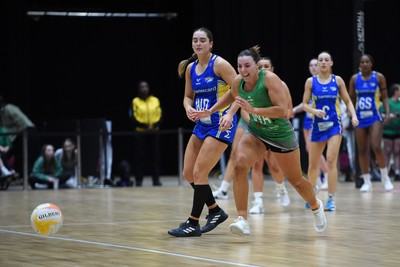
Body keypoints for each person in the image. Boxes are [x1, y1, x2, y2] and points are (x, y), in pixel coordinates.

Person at [194, 45, 327, 235]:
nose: (242, 70)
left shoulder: (270, 80)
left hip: (280, 135)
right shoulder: (239, 81)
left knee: (296, 180)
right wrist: (215, 111)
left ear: (257, 66)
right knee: (240, 164)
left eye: (247, 66)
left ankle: (315, 206)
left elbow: (282, 110)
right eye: (239, 66)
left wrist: (254, 110)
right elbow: (232, 95)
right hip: (257, 132)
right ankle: (242, 219)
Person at [167, 27, 238, 237]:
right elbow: (188, 96)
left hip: (220, 124)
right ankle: (215, 211)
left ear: (211, 43)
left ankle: (193, 223)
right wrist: (188, 107)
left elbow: (239, 89)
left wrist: (227, 113)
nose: (198, 43)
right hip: (201, 124)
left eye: (202, 40)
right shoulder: (190, 68)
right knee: (188, 173)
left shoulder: (220, 64)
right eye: (194, 40)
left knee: (200, 173)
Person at [212, 56, 291, 214]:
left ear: (272, 69)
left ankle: (282, 188)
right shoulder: (246, 84)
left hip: (274, 126)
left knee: (274, 165)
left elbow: (286, 111)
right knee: (250, 160)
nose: (263, 69)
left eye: (266, 66)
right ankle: (257, 200)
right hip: (251, 122)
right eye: (261, 66)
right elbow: (242, 107)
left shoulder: (279, 84)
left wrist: (268, 125)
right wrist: (253, 123)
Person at [302, 51, 359, 211]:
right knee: (313, 165)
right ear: (318, 63)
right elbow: (305, 104)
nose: (323, 63)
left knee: (331, 160)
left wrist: (353, 116)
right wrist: (314, 112)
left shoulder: (338, 80)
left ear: (331, 63)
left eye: (326, 60)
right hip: (318, 126)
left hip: (334, 125)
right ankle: (311, 195)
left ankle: (331, 199)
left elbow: (348, 101)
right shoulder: (310, 82)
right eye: (320, 60)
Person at [349, 54, 394, 192]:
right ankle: (366, 181)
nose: (364, 64)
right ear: (359, 64)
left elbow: (385, 97)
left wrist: (386, 112)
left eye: (367, 61)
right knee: (362, 150)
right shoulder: (354, 79)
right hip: (360, 117)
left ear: (372, 63)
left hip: (375, 116)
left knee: (376, 145)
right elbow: (350, 99)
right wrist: (350, 114)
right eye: (362, 62)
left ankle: (385, 178)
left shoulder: (379, 77)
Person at [292, 58, 329, 190]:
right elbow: (305, 103)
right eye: (311, 65)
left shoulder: (324, 82)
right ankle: (317, 179)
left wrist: (295, 110)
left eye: (315, 65)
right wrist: (295, 110)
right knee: (309, 149)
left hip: (318, 119)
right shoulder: (310, 82)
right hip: (307, 119)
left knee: (315, 149)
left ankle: (326, 174)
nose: (313, 67)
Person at [130, 81, 162, 187]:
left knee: (155, 157)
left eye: (146, 87)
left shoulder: (155, 100)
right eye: (142, 87)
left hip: (154, 132)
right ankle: (139, 180)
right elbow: (133, 117)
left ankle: (156, 180)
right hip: (140, 132)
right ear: (138, 89)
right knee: (139, 157)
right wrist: (145, 127)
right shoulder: (135, 101)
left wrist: (154, 126)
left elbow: (160, 115)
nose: (144, 89)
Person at [0, 95, 37, 176]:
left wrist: (15, 137)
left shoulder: (9, 108)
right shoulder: (2, 112)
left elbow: (20, 122)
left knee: (25, 156)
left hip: (26, 131)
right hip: (18, 135)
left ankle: (26, 177)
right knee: (16, 157)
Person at [382, 83, 400, 181]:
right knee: (387, 152)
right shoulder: (388, 102)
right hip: (387, 132)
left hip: (398, 131)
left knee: (397, 152)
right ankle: (386, 174)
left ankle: (397, 172)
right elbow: (381, 114)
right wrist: (389, 116)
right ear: (395, 91)